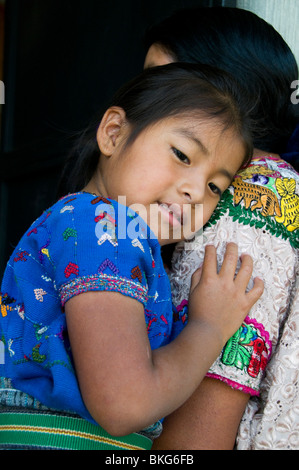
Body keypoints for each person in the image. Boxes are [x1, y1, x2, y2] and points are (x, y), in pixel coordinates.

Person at [0, 63, 264, 450]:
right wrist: (209, 328)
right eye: (182, 154)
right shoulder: (105, 226)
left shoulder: (95, 228)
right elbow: (124, 405)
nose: (195, 190)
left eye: (214, 185)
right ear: (113, 133)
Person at [143, 7, 299, 450]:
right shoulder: (273, 186)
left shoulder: (240, 206)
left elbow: (194, 441)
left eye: (161, 84)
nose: (141, 101)